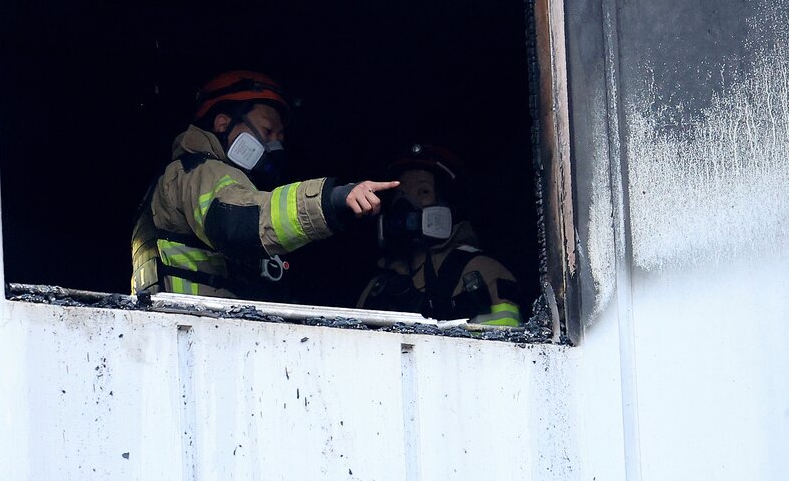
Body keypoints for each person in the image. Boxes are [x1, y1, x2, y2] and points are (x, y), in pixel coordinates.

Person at [131, 70, 398, 299]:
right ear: (223, 123)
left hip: (192, 334)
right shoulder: (200, 172)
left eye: (280, 137)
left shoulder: (208, 177)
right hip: (195, 335)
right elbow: (237, 223)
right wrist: (330, 198)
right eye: (268, 131)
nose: (275, 146)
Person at [357, 144, 522, 327]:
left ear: (448, 203)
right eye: (401, 193)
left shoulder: (479, 270)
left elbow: (509, 335)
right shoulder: (377, 287)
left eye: (423, 191)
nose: (405, 203)